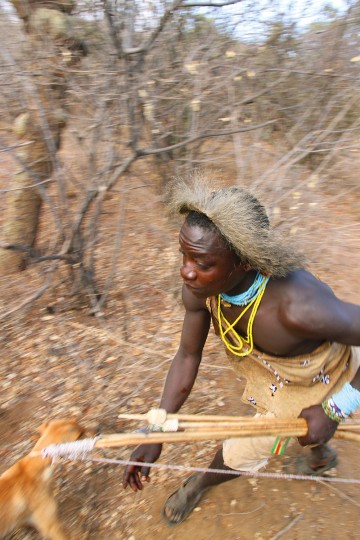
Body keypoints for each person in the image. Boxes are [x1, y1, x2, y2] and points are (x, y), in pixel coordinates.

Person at [123, 171, 360, 526]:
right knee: (309, 430)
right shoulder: (201, 289)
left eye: (202, 263)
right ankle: (319, 454)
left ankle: (199, 483)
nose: (186, 273)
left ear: (245, 261)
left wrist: (336, 408)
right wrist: (156, 429)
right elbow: (188, 356)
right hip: (277, 370)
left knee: (242, 447)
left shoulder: (297, 306)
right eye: (183, 255)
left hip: (328, 375)